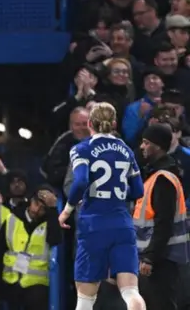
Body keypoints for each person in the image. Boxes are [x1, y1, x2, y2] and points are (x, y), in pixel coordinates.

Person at [58, 102, 146, 310]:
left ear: (90, 123)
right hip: (122, 223)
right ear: (114, 123)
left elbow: (79, 182)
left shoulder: (82, 148)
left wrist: (66, 211)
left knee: (85, 297)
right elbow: (138, 191)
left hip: (94, 224)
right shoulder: (126, 150)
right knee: (131, 291)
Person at [136, 123, 190, 310]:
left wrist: (150, 257)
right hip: (158, 257)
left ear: (157, 145)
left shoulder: (163, 178)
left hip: (161, 259)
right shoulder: (157, 174)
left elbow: (163, 223)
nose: (142, 147)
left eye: (146, 142)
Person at [0, 187, 61, 310]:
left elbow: (56, 240)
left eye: (43, 208)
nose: (37, 210)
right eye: (36, 204)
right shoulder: (12, 219)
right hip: (11, 282)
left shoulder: (50, 223)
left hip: (37, 285)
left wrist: (54, 210)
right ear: (30, 200)